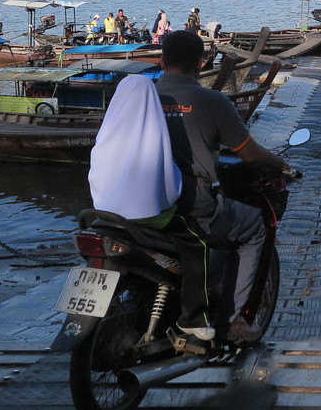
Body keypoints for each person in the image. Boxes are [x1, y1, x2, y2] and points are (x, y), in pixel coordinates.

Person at [155, 30, 290, 343]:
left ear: (161, 61)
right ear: (202, 64)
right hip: (191, 202)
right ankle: (235, 320)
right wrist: (279, 164)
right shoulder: (212, 100)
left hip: (144, 200)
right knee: (255, 227)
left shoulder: (144, 96)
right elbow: (249, 152)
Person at [87, 75, 215, 353]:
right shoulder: (153, 136)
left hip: (104, 216)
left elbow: (94, 179)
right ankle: (192, 318)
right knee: (198, 244)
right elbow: (171, 188)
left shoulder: (105, 137)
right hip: (147, 220)